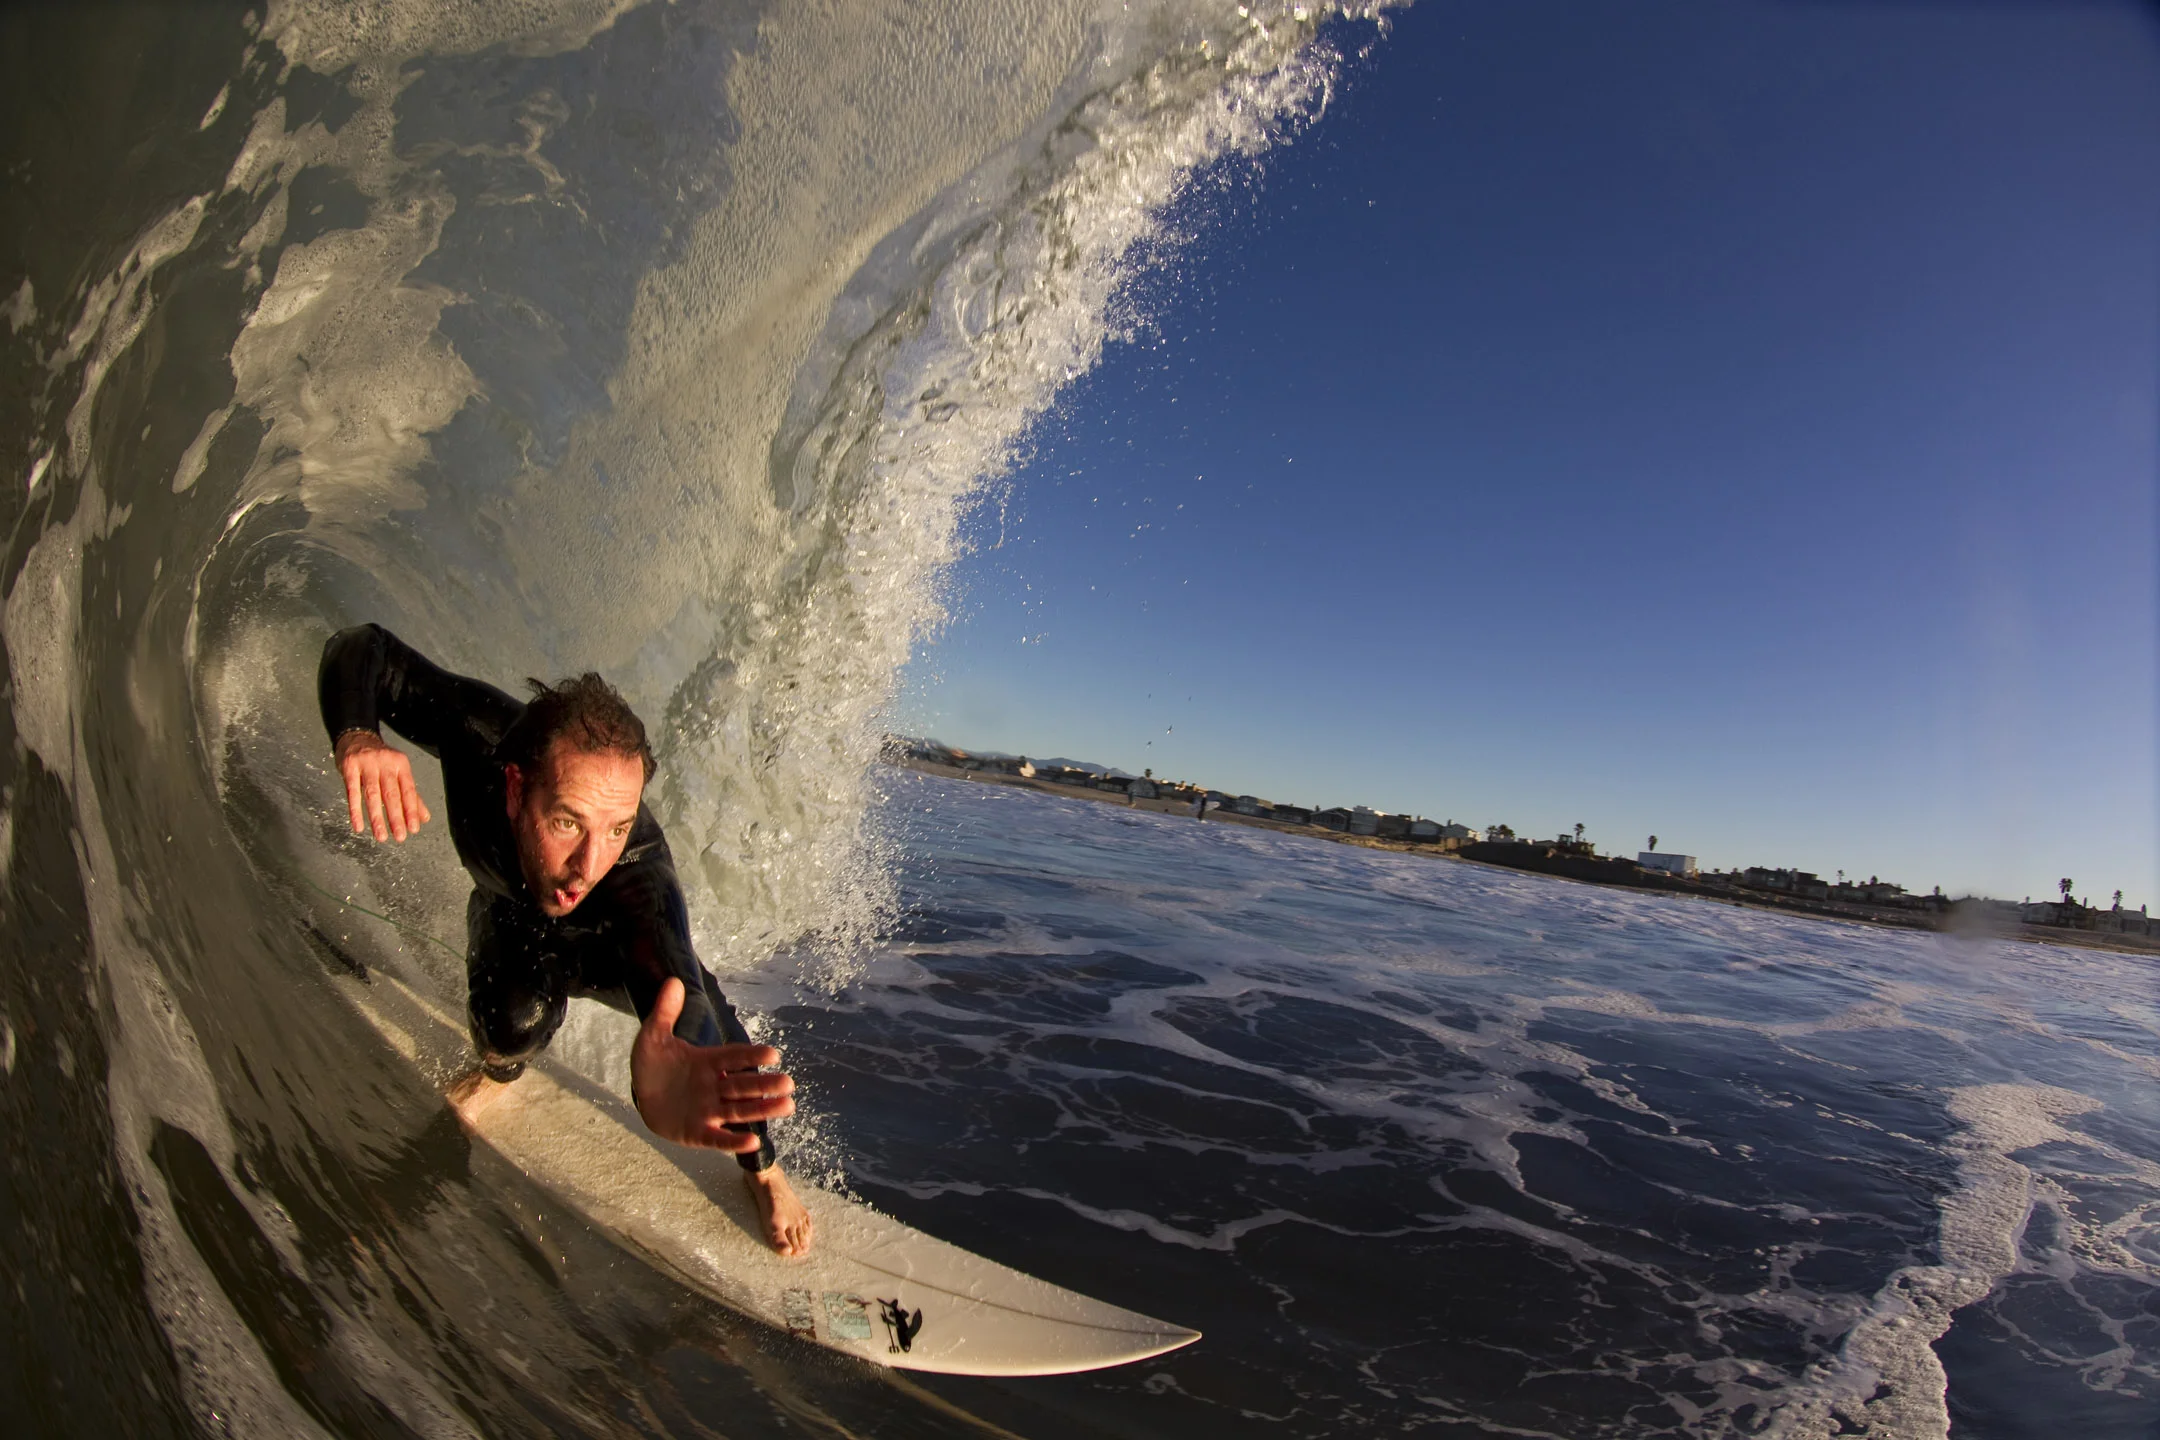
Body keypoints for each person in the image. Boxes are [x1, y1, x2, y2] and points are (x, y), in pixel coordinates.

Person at [317, 623, 813, 1256]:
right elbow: (363, 649)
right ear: (518, 787)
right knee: (510, 1024)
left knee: (708, 1036)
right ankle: (498, 1076)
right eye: (566, 822)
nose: (588, 865)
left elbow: (677, 999)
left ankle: (766, 1174)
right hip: (513, 917)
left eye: (616, 828)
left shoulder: (638, 884)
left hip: (611, 952)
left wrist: (660, 1076)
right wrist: (357, 733)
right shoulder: (479, 738)